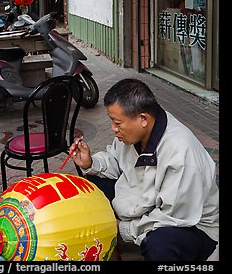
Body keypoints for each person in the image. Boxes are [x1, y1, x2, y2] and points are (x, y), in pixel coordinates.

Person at [70, 78, 219, 262]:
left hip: (190, 224)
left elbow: (171, 217)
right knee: (90, 190)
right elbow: (115, 160)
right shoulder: (135, 132)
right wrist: (90, 162)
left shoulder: (181, 153)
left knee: (161, 244)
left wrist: (122, 228)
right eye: (111, 121)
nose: (113, 129)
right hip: (146, 201)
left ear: (142, 119)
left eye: (117, 122)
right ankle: (112, 253)